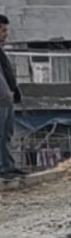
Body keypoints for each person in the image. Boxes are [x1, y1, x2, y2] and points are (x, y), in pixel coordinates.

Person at [0, 15, 22, 180]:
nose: (5, 34)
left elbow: (7, 73)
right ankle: (3, 168)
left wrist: (14, 89)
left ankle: (8, 166)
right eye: (2, 30)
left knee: (6, 135)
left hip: (6, 99)